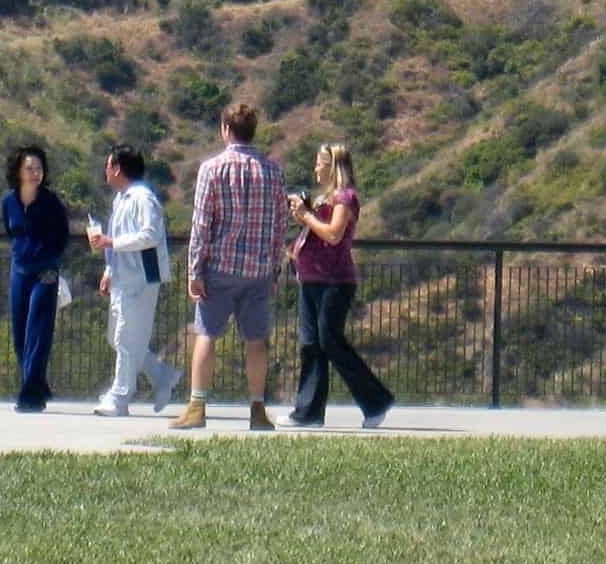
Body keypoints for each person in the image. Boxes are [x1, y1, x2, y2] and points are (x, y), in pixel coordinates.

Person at [172, 103, 289, 432]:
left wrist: (195, 271)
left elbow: (201, 224)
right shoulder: (273, 171)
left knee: (207, 333)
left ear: (226, 129)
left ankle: (197, 406)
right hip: (260, 270)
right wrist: (274, 270)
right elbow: (280, 227)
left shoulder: (212, 169)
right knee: (256, 340)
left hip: (220, 267)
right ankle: (257, 408)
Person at [284, 142, 394, 430]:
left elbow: (333, 234)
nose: (315, 168)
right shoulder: (324, 200)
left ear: (332, 165)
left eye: (319, 163)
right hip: (311, 280)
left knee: (330, 342)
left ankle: (375, 400)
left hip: (334, 281)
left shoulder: (345, 198)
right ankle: (308, 412)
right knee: (311, 345)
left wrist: (307, 216)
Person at [88, 144, 181, 416]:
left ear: (117, 168)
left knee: (127, 337)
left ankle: (120, 397)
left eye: (108, 165)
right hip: (122, 277)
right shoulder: (122, 198)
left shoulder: (143, 198)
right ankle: (162, 375)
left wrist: (112, 243)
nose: (105, 171)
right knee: (117, 337)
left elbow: (150, 235)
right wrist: (108, 271)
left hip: (142, 277)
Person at [2, 144, 69, 413]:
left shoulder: (51, 202)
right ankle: (37, 385)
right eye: (29, 168)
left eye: (39, 168)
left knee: (38, 332)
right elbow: (11, 231)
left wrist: (50, 262)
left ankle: (30, 394)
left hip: (45, 272)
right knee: (20, 334)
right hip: (20, 271)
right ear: (18, 171)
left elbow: (62, 236)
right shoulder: (8, 201)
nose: (35, 173)